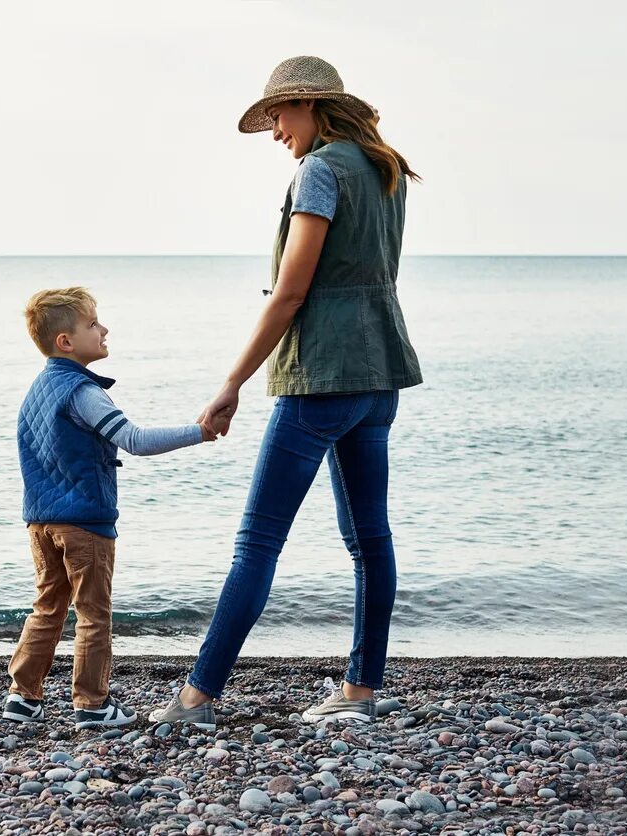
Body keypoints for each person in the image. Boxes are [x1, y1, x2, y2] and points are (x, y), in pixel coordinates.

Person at [149, 56, 423, 730]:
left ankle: (197, 697)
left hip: (321, 379)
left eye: (278, 116)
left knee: (258, 544)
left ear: (309, 105)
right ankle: (360, 691)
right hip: (379, 374)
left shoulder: (321, 170)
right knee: (371, 540)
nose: (275, 131)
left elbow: (292, 291)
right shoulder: (385, 169)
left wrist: (232, 382)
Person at [4, 287, 224, 730]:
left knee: (48, 606)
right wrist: (199, 432)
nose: (104, 330)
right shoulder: (83, 392)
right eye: (93, 324)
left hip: (40, 520)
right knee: (93, 612)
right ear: (66, 341)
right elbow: (134, 440)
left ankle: (23, 697)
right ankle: (92, 703)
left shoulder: (37, 390)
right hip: (85, 522)